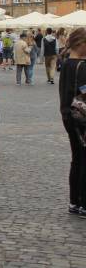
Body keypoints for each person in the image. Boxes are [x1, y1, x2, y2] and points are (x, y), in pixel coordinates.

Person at [58, 27, 86, 217]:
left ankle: (74, 201)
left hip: (69, 115)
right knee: (84, 159)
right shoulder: (82, 66)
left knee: (77, 159)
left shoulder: (67, 63)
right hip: (82, 118)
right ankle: (84, 203)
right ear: (81, 44)